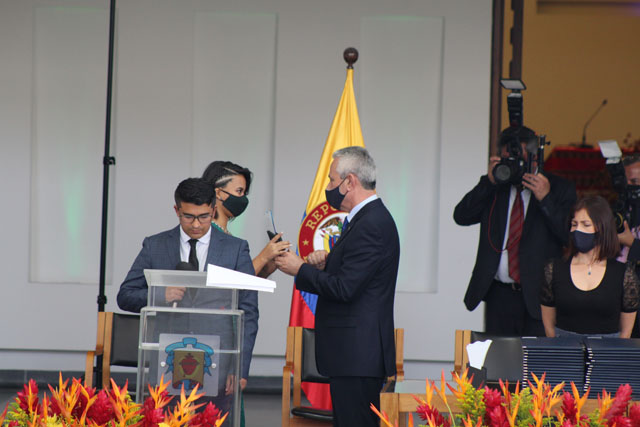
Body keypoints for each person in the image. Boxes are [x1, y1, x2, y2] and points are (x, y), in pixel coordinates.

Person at [275, 147, 400, 427]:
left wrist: (300, 269)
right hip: (353, 355)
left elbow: (345, 289)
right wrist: (326, 264)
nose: (329, 187)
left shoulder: (371, 223)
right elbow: (356, 276)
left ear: (350, 181)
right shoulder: (366, 219)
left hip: (357, 356)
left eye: (332, 180)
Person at [116, 178, 258, 405]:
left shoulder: (235, 249)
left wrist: (239, 368)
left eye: (204, 217)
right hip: (167, 358)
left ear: (214, 210)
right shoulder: (155, 245)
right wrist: (160, 295)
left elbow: (248, 312)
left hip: (218, 361)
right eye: (188, 217)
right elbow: (125, 296)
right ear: (177, 210)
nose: (196, 225)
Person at [453, 126, 576, 336]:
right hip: (499, 294)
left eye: (524, 160)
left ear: (536, 158)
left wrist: (545, 199)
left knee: (534, 356)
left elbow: (569, 236)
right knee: (498, 355)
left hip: (539, 296)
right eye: (511, 159)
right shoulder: (496, 187)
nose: (518, 166)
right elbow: (461, 216)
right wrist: (489, 182)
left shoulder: (558, 188)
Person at [540, 195, 639, 337]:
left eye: (586, 225)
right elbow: (549, 326)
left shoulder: (623, 273)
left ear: (602, 228)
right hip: (565, 348)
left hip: (607, 349)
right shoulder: (554, 269)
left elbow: (626, 332)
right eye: (574, 224)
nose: (578, 230)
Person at [202, 161, 290, 278]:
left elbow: (241, 282)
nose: (243, 198)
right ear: (218, 193)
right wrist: (263, 256)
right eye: (239, 191)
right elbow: (227, 280)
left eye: (244, 193)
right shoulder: (206, 234)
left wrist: (265, 269)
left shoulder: (225, 234)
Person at [615, 153, 640, 337]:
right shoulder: (622, 207)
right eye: (628, 182)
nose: (631, 186)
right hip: (620, 292)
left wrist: (631, 243)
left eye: (636, 181)